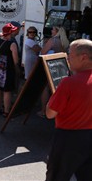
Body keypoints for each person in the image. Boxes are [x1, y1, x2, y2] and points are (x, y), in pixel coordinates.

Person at [45, 39, 92, 181]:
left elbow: (50, 113)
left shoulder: (69, 83)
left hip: (68, 139)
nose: (67, 59)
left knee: (57, 175)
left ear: (83, 57)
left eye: (69, 55)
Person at [39, 25, 70, 117]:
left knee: (45, 88)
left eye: (53, 29)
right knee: (58, 90)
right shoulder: (65, 42)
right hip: (61, 67)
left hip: (51, 66)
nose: (51, 31)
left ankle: (44, 110)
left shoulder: (53, 40)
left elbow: (43, 52)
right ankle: (58, 111)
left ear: (57, 31)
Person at [0, 23, 19, 117]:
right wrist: (17, 69)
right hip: (8, 69)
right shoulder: (12, 44)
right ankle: (6, 111)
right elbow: (15, 60)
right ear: (10, 32)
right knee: (7, 91)